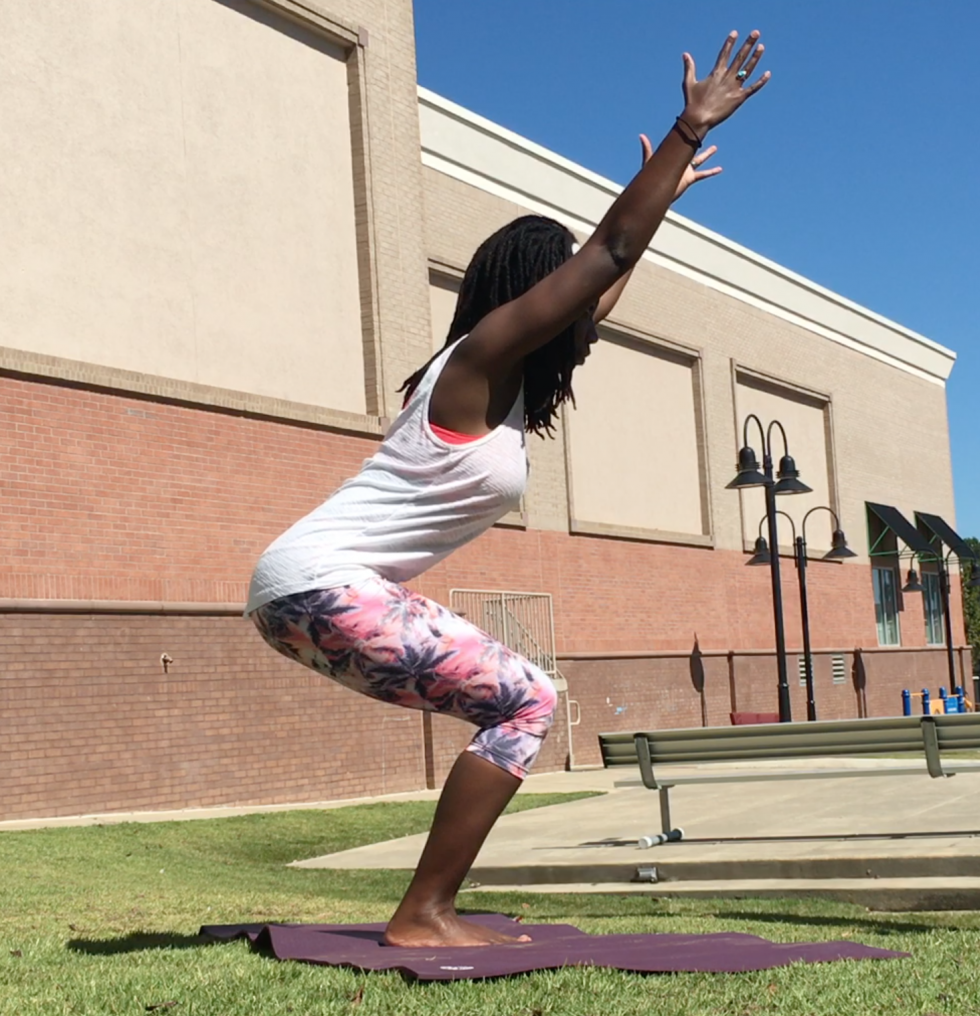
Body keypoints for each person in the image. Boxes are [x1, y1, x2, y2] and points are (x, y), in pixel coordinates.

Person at [244, 29, 770, 948]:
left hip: (301, 595)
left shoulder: (502, 383)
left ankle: (427, 907)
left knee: (515, 699)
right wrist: (685, 132)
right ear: (532, 292)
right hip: (319, 584)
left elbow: (603, 283)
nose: (579, 313)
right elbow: (599, 259)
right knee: (527, 698)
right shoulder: (478, 360)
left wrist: (658, 218)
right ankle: (423, 913)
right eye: (559, 290)